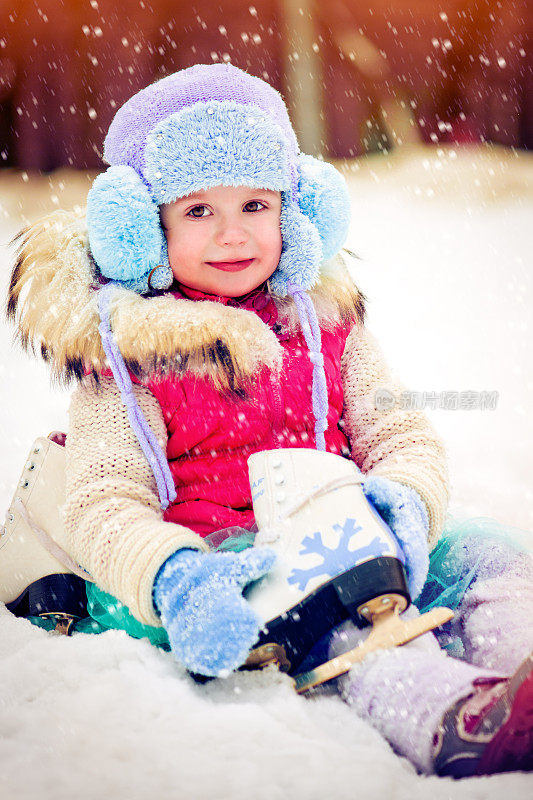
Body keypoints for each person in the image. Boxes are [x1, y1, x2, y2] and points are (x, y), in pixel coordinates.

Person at [6, 63, 533, 778]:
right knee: (337, 610)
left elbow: (402, 435)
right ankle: (447, 718)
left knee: (486, 549)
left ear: (296, 209)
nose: (232, 235)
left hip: (348, 523)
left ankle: (519, 664)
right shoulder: (125, 365)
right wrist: (176, 578)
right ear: (142, 230)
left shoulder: (326, 326)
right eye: (198, 211)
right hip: (221, 564)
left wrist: (402, 503)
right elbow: (104, 505)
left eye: (255, 205)